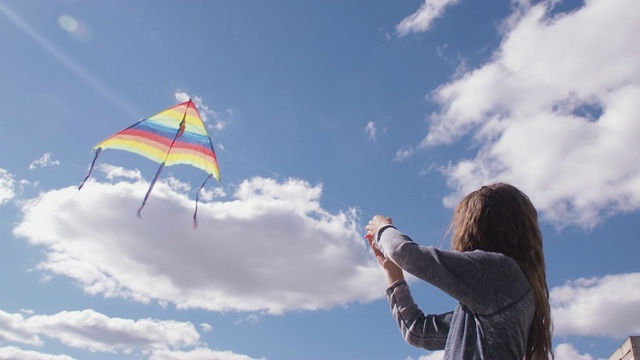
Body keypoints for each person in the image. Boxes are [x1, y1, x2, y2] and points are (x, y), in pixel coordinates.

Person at [366, 183, 553, 360]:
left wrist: (382, 228)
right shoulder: (495, 299)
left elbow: (404, 252)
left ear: (475, 229)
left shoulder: (502, 273)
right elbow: (418, 331)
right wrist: (392, 271)